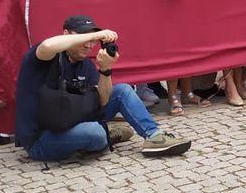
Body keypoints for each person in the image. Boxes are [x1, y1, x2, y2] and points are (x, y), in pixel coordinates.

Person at [14, 15, 191, 161]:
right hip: (42, 138)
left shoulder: (87, 65)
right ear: (66, 34)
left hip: (72, 119)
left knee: (122, 90)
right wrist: (93, 36)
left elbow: (102, 102)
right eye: (84, 37)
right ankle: (105, 135)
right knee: (96, 133)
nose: (90, 44)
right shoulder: (43, 58)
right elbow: (48, 45)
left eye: (93, 39)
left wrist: (105, 70)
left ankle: (154, 136)